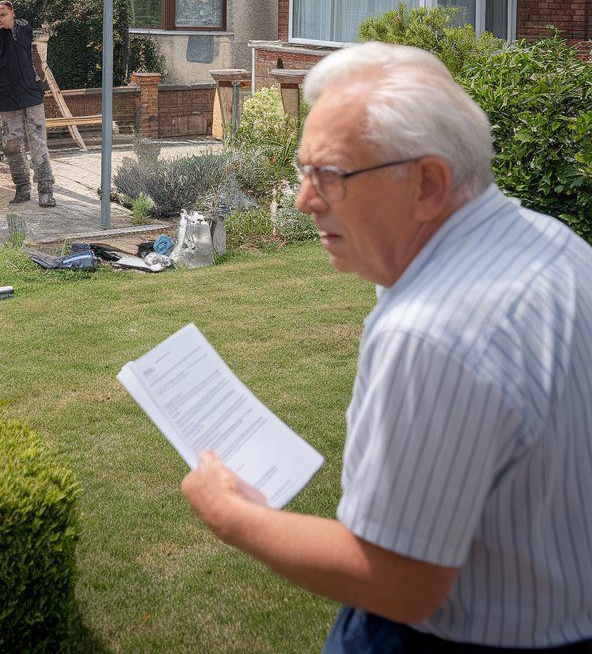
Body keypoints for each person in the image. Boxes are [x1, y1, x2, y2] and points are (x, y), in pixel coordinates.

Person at [182, 42, 592, 653]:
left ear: (427, 183)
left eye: (331, 175)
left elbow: (401, 583)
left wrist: (232, 515)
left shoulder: (432, 334)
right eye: (303, 172)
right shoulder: (557, 246)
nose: (304, 200)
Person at [0, 0, 55, 207]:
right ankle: (22, 188)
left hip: (30, 94)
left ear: (12, 14)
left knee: (37, 141)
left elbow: (24, 35)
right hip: (8, 97)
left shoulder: (23, 28)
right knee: (11, 145)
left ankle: (46, 190)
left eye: (3, 15)